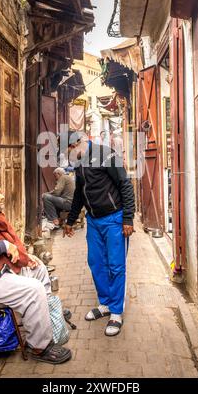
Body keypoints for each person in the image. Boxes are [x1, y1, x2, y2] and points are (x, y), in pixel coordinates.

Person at [0, 180, 71, 364]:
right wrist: (3, 245)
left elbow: (7, 248)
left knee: (39, 267)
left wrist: (25, 257)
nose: (2, 195)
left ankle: (49, 316)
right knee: (34, 289)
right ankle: (39, 347)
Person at [63, 131, 135, 336]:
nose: (68, 153)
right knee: (96, 262)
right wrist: (70, 220)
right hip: (93, 221)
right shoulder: (79, 162)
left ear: (79, 143)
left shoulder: (106, 154)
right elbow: (79, 193)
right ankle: (105, 304)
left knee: (115, 265)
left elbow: (125, 185)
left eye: (69, 148)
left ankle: (116, 312)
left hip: (114, 219)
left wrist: (128, 218)